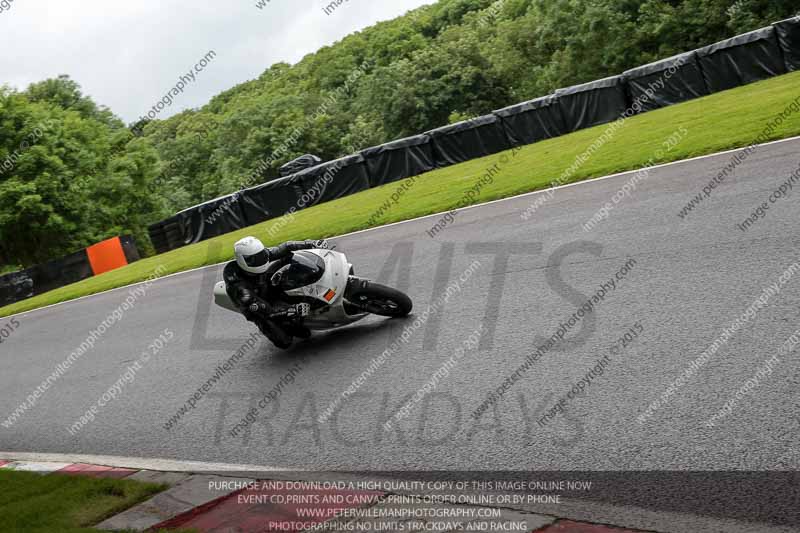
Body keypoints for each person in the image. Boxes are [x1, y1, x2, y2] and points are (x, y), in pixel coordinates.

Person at [223, 236, 329, 348]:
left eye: (261, 255)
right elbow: (267, 311)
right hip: (257, 307)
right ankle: (276, 326)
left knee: (288, 260)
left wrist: (310, 243)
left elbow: (284, 248)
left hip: (265, 286)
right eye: (255, 259)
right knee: (285, 341)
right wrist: (291, 310)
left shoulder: (261, 257)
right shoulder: (238, 287)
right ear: (242, 260)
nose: (261, 260)